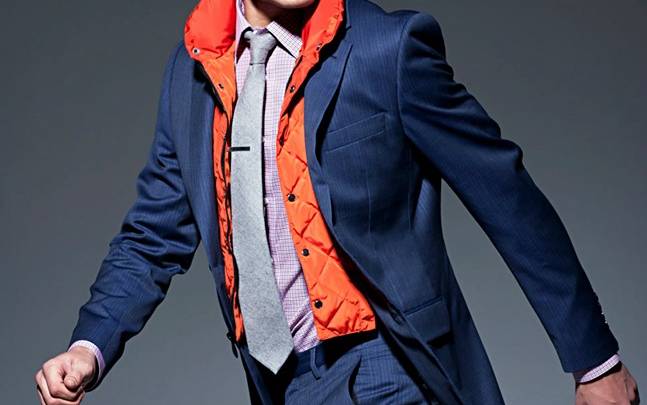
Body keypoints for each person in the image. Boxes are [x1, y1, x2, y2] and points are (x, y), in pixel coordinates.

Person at [35, 0, 639, 404]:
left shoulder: (385, 49)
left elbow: (507, 197)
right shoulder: (190, 73)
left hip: (390, 367)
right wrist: (89, 348)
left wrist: (595, 362)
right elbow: (152, 236)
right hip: (278, 384)